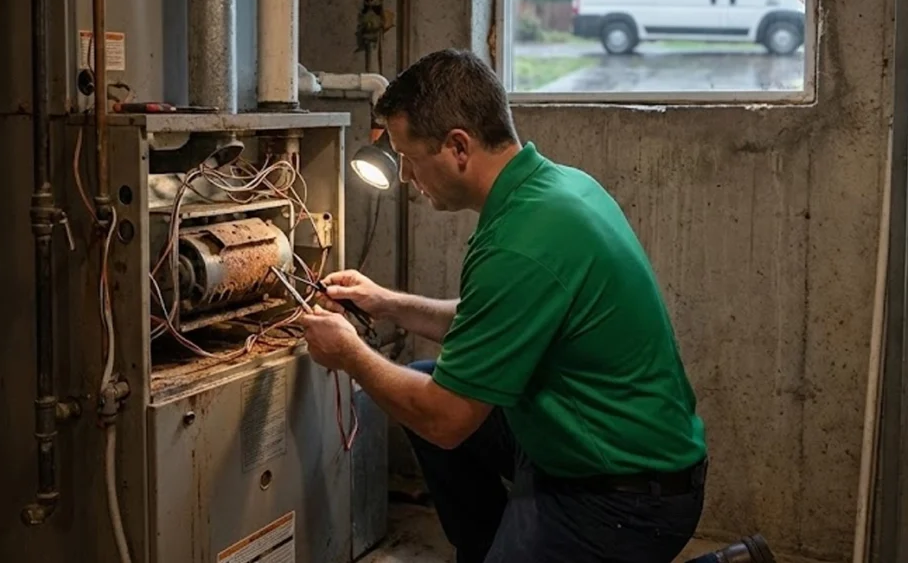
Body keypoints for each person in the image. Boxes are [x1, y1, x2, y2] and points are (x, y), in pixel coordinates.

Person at [300, 49, 770, 563]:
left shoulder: (519, 241)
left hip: (624, 494)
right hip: (593, 446)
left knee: (428, 404)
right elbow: (494, 322)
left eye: (410, 158)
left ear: (458, 146)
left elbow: (446, 418)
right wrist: (388, 304)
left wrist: (349, 354)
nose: (408, 177)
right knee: (421, 373)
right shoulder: (556, 187)